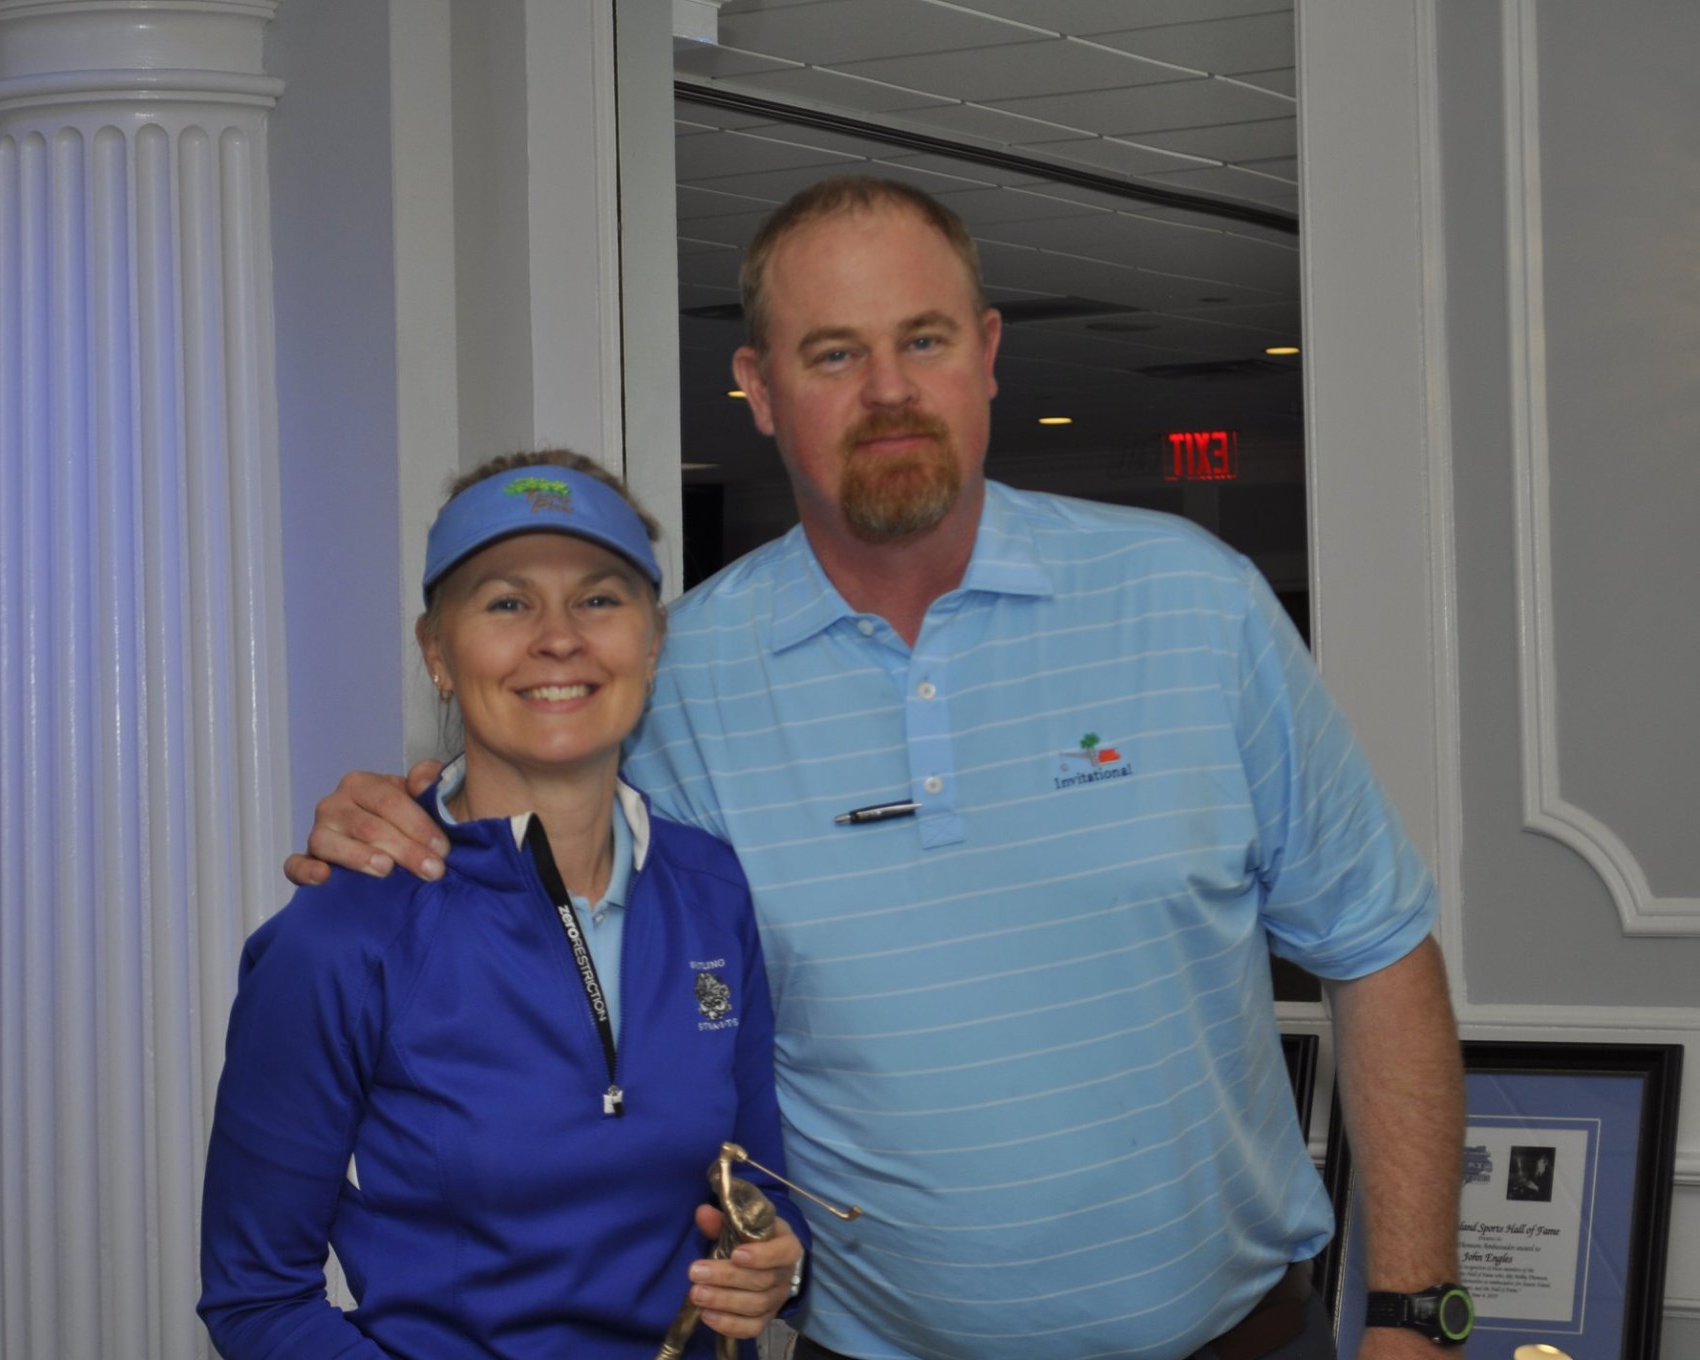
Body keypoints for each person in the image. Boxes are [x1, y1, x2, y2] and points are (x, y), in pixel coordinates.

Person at [286, 179, 1467, 1360]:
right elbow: (536, 918)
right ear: (756, 388)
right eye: (834, 353)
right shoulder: (671, 680)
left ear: (987, 354)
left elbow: (1378, 947)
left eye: (923, 340)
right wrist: (402, 819)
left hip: (1240, 1342)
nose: (889, 390)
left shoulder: (1193, 603)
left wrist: (1414, 1319)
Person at [199, 451, 807, 1359]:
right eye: (507, 602)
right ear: (437, 651)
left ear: (651, 642)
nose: (558, 637)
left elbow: (765, 1188)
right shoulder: (344, 933)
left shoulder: (712, 891)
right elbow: (256, 1298)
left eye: (600, 599)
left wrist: (779, 1266)